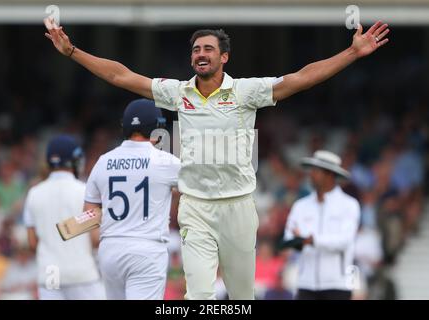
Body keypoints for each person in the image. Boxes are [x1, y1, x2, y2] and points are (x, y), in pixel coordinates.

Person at [44, 20, 389, 300]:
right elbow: (122, 76)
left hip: (238, 205)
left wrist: (351, 53)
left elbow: (302, 78)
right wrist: (72, 51)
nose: (200, 54)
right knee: (200, 295)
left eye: (208, 49)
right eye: (196, 49)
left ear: (224, 57)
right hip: (196, 207)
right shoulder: (177, 92)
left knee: (241, 297)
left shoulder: (246, 92)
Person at [84, 99, 181, 300]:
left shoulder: (103, 161)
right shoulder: (165, 162)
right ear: (158, 128)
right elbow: (200, 188)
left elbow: (90, 210)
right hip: (146, 249)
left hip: (110, 248)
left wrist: (96, 236)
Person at [23, 135, 106, 300]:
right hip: (81, 272)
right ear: (75, 160)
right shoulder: (85, 191)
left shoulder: (34, 193)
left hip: (50, 274)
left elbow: (32, 243)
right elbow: (95, 239)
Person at [283, 150, 361, 300]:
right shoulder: (300, 206)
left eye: (316, 171)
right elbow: (289, 238)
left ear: (330, 175)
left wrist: (312, 240)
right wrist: (298, 242)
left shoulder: (349, 205)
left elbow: (345, 240)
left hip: (338, 284)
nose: (311, 175)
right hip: (305, 282)